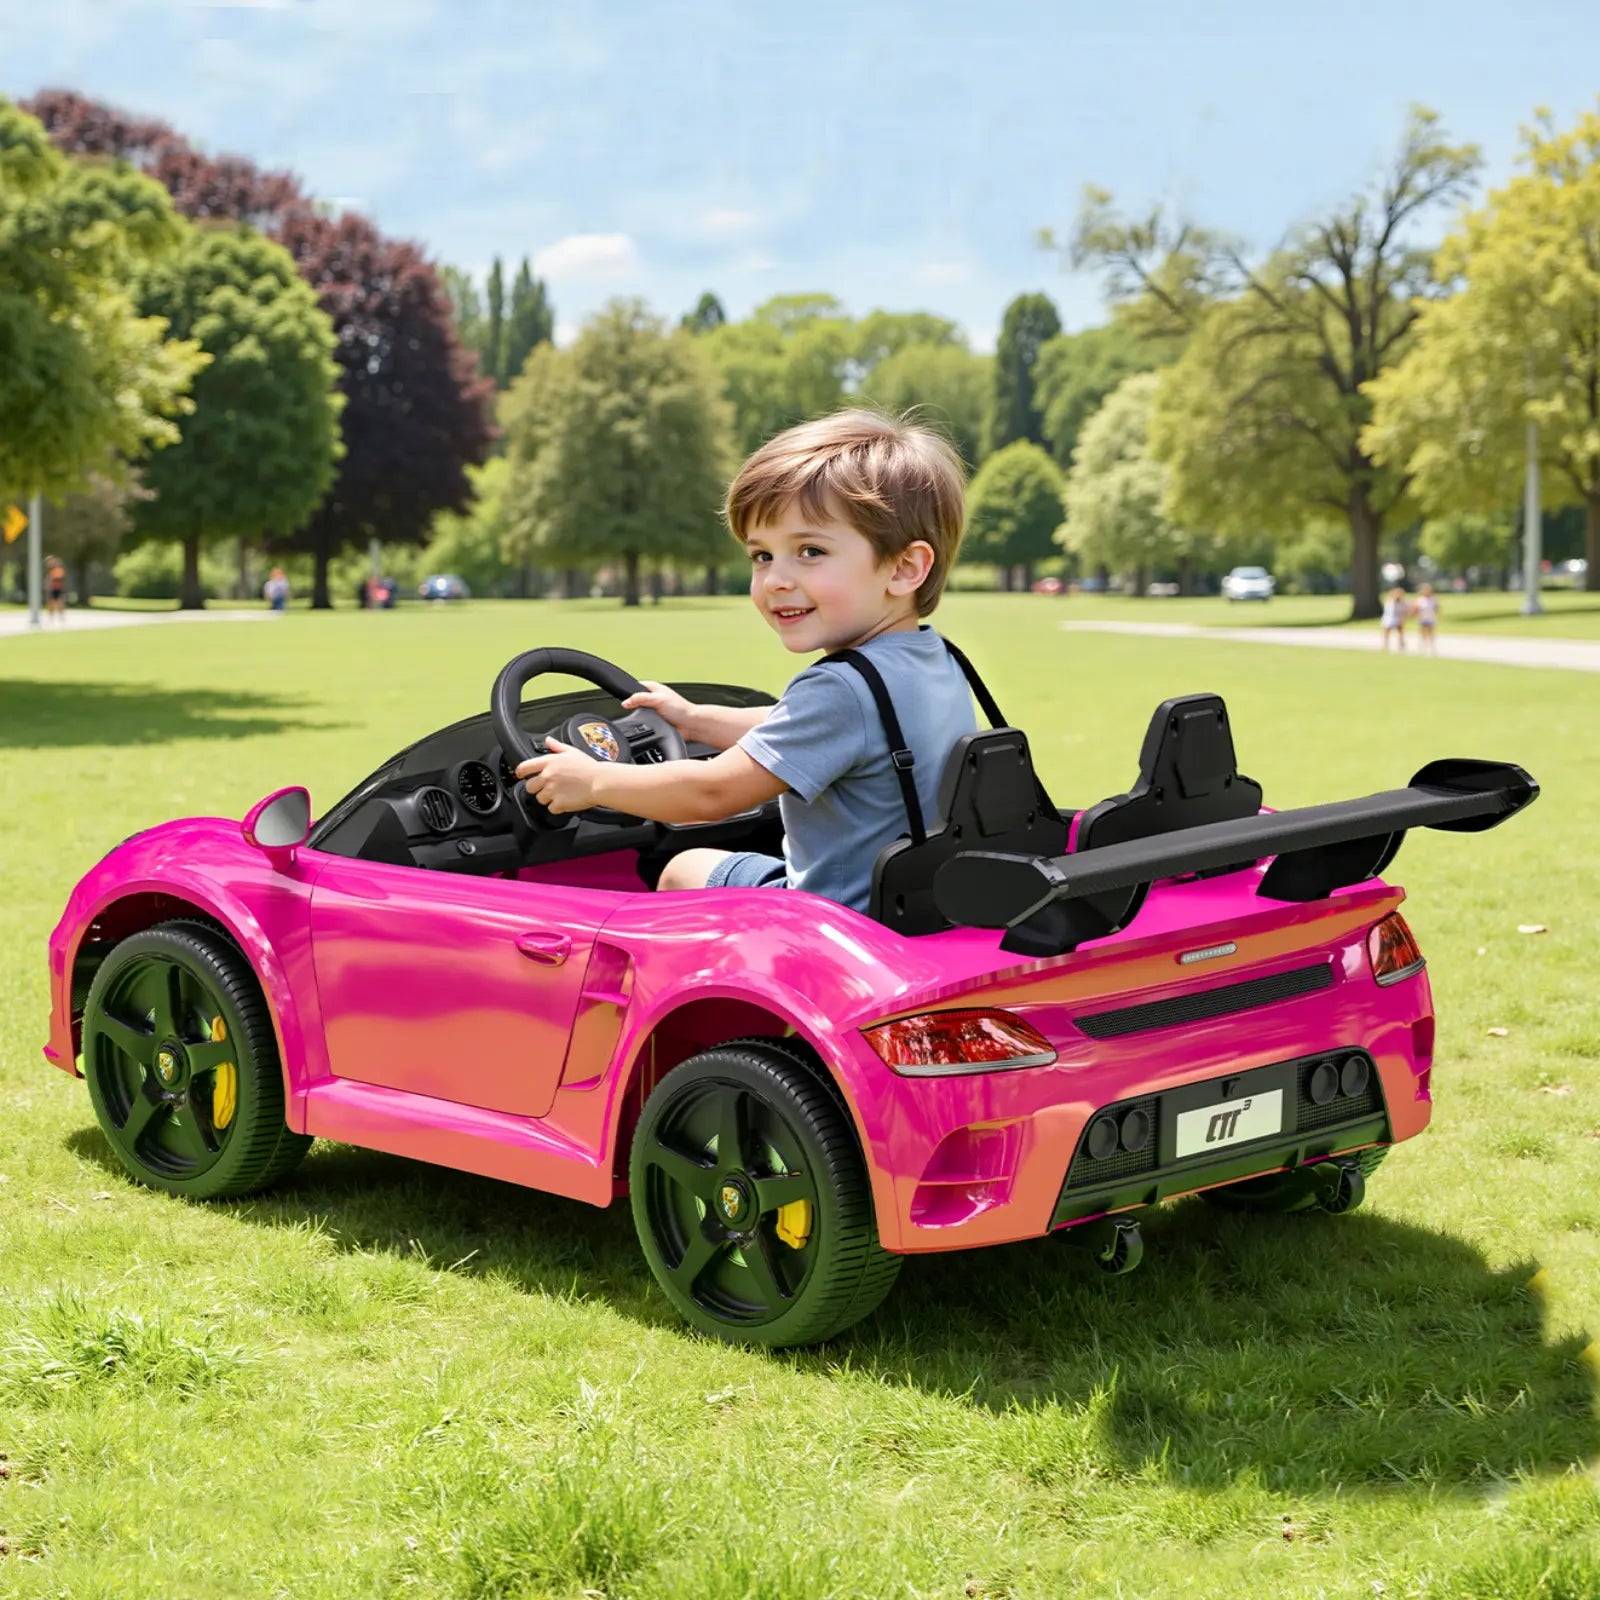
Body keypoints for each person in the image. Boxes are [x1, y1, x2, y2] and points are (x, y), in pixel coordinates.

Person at [515, 408, 976, 913]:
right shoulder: (934, 658)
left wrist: (594, 781)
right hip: (915, 904)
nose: (776, 579)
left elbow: (711, 794)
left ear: (905, 568)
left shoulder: (841, 687)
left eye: (810, 551)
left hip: (834, 918)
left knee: (680, 869)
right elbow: (802, 729)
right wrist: (694, 719)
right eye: (762, 556)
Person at [1380, 585, 1408, 652]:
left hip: (1398, 619)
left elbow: (1404, 611)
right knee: (1387, 632)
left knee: (1400, 632)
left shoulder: (1402, 602)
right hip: (1389, 618)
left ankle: (1401, 644)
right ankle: (1385, 644)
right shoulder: (1390, 601)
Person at [1414, 582, 1439, 655]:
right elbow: (1416, 609)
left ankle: (1432, 646)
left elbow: (1436, 608)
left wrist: (1436, 615)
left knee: (1431, 633)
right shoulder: (1420, 599)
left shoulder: (1433, 599)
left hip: (1430, 618)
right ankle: (1423, 646)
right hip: (1422, 618)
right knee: (1423, 632)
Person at [44, 556, 67, 625]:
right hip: (52, 589)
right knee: (50, 604)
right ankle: (51, 617)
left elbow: (58, 578)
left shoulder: (59, 570)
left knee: (60, 603)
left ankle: (61, 616)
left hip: (58, 589)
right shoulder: (50, 571)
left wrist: (51, 578)